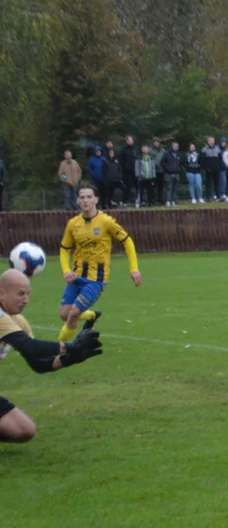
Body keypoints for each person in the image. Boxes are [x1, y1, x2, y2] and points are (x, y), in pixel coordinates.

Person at [0, 269, 104, 444]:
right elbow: (31, 347)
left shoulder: (17, 321)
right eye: (20, 294)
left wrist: (71, 357)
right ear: (1, 293)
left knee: (25, 431)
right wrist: (70, 346)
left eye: (27, 294)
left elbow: (38, 363)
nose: (26, 299)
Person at [57, 183, 142, 341]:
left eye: (89, 197)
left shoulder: (106, 221)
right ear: (77, 201)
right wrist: (66, 270)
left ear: (96, 199)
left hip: (97, 279)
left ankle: (59, 347)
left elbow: (127, 241)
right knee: (64, 314)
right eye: (82, 197)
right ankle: (91, 316)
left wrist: (134, 268)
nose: (86, 200)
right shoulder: (73, 224)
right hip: (76, 276)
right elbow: (64, 248)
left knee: (74, 312)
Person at [160, 141, 182, 207]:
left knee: (174, 188)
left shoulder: (178, 154)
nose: (176, 147)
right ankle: (168, 201)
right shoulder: (167, 153)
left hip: (176, 173)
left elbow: (180, 163)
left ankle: (173, 201)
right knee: (169, 188)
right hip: (168, 174)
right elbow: (162, 163)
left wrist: (179, 169)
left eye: (177, 146)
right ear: (172, 146)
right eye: (175, 146)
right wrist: (167, 169)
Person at [200, 137, 222, 202]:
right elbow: (202, 160)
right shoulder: (204, 149)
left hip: (216, 168)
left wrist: (218, 166)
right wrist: (205, 168)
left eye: (213, 141)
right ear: (208, 141)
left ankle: (218, 197)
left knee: (217, 183)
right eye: (211, 141)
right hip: (208, 169)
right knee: (208, 184)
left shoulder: (217, 148)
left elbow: (220, 158)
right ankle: (208, 197)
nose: (212, 142)